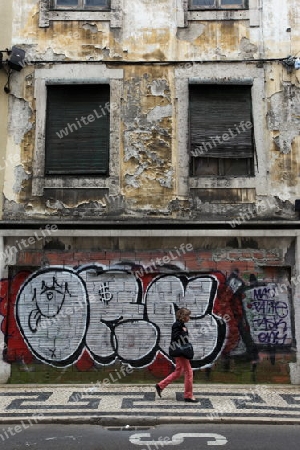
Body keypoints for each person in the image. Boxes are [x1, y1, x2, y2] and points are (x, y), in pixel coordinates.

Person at [155, 307, 198, 403]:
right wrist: (184, 332)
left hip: (180, 351)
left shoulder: (182, 325)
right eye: (188, 315)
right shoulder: (177, 325)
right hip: (180, 351)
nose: (189, 317)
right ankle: (188, 395)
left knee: (178, 371)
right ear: (183, 316)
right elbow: (175, 337)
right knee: (189, 372)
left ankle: (160, 385)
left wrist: (184, 332)